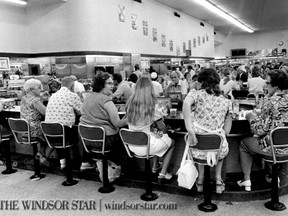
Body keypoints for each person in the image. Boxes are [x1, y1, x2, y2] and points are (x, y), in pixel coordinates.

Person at [182, 68, 233, 194]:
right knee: (220, 144)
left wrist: (190, 129)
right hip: (218, 150)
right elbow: (227, 129)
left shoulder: (196, 93)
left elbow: (186, 104)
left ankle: (200, 180)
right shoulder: (226, 100)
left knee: (201, 143)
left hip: (196, 148)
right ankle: (218, 180)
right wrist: (218, 134)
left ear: (202, 82)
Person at [238, 70, 288, 191]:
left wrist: (249, 117)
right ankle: (275, 176)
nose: (265, 85)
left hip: (273, 147)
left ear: (276, 86)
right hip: (287, 146)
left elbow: (260, 130)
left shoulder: (269, 101)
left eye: (267, 82)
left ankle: (246, 180)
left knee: (244, 144)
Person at [126, 77, 175, 180]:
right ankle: (163, 173)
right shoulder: (152, 105)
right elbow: (162, 127)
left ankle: (155, 166)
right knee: (171, 142)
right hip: (146, 145)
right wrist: (166, 129)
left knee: (155, 136)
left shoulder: (129, 104)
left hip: (132, 145)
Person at [80, 73, 127, 167]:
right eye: (109, 83)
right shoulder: (106, 101)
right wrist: (130, 117)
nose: (112, 86)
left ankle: (98, 164)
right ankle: (119, 169)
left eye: (112, 83)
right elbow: (118, 124)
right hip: (105, 140)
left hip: (87, 140)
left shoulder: (87, 98)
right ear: (101, 85)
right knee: (124, 141)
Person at [44, 76, 88, 170]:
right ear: (72, 86)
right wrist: (81, 99)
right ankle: (85, 162)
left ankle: (63, 162)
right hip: (63, 133)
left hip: (49, 133)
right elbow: (82, 111)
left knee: (60, 130)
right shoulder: (72, 96)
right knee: (82, 134)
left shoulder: (54, 95)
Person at [21, 79, 53, 167]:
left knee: (43, 140)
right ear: (31, 89)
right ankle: (44, 157)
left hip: (26, 129)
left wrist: (40, 98)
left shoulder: (24, 98)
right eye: (38, 88)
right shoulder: (34, 100)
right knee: (54, 137)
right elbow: (45, 112)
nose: (40, 90)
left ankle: (40, 155)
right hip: (35, 129)